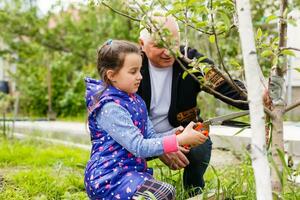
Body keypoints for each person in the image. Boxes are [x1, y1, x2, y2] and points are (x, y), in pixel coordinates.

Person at [137, 16, 249, 194]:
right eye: (159, 45)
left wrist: (256, 97)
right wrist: (161, 146)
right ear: (142, 44)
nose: (168, 52)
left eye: (172, 43)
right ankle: (131, 186)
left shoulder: (191, 61)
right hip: (140, 137)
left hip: (181, 133)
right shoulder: (131, 65)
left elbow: (224, 86)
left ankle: (193, 191)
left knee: (200, 144)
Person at [84, 39, 208, 200]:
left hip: (132, 173)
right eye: (133, 71)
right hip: (108, 178)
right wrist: (178, 140)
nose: (140, 77)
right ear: (112, 75)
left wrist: (176, 133)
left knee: (165, 192)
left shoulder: (136, 101)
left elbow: (151, 137)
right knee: (162, 193)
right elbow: (139, 147)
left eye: (140, 70)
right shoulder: (110, 108)